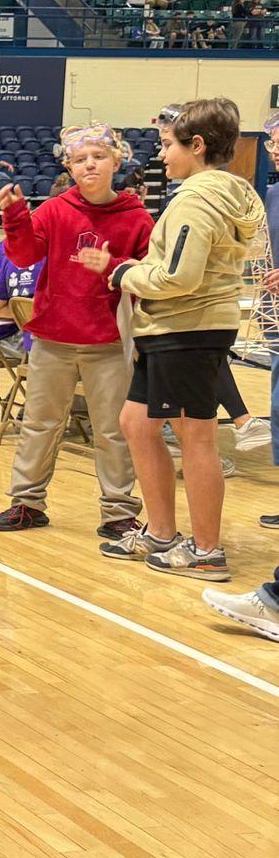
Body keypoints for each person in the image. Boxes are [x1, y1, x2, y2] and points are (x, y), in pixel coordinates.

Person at [97, 99, 265, 580]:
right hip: (172, 328)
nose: (161, 155)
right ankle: (162, 533)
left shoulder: (196, 198)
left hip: (188, 327)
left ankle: (207, 551)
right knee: (136, 422)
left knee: (197, 437)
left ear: (198, 145)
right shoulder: (220, 193)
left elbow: (180, 276)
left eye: (168, 145)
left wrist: (127, 273)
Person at [0, 123, 152, 536]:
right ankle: (27, 503)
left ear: (117, 160)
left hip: (109, 343)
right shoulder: (55, 210)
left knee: (113, 432)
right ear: (69, 166)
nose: (89, 165)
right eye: (80, 159)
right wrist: (14, 216)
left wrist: (113, 269)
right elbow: (24, 255)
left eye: (97, 156)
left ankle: (118, 510)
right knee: (39, 424)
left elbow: (149, 277)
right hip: (52, 339)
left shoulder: (137, 219)